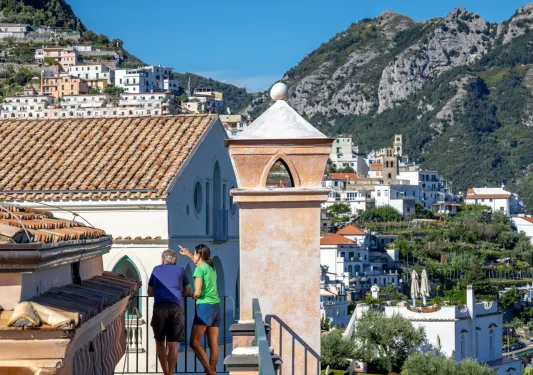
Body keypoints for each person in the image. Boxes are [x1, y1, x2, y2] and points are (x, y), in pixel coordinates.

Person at [148, 249, 192, 375]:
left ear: (163, 260)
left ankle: (165, 372)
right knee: (173, 344)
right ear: (175, 261)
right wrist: (179, 293)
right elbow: (188, 291)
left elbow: (150, 292)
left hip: (160, 307)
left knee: (160, 341)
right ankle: (171, 373)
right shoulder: (181, 270)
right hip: (175, 307)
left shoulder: (156, 270)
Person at [179, 244, 220, 375]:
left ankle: (209, 371)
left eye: (195, 253)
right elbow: (200, 265)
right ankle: (212, 371)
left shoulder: (199, 270)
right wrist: (189, 254)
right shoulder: (210, 267)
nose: (194, 255)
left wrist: (192, 295)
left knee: (194, 342)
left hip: (205, 307)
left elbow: (198, 291)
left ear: (199, 255)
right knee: (213, 343)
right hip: (216, 307)